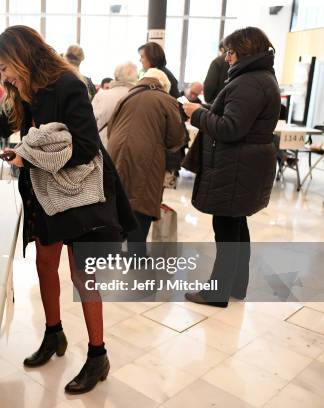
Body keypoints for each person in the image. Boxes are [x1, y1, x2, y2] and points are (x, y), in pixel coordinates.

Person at [0, 25, 136, 394]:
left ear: (24, 54)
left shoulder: (68, 85)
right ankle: (54, 335)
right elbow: (8, 122)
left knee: (84, 278)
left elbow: (84, 147)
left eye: (4, 66)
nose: (3, 75)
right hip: (46, 192)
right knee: (44, 263)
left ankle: (98, 355)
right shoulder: (22, 89)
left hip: (81, 196)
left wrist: (29, 156)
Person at [183, 27, 280, 307]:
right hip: (246, 164)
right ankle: (237, 286)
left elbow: (231, 128)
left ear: (244, 51)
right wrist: (205, 110)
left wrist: (197, 114)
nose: (226, 58)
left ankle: (217, 292)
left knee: (226, 229)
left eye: (230, 52)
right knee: (237, 227)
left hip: (238, 165)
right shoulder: (260, 78)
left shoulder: (248, 82)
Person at [106, 68, 185, 256]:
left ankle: (122, 249)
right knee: (142, 204)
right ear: (164, 86)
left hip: (116, 153)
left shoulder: (127, 96)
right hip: (146, 158)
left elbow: (111, 128)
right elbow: (175, 138)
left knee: (122, 200)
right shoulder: (167, 100)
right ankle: (137, 257)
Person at [91, 62, 138, 146]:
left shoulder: (101, 95)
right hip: (128, 147)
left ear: (116, 75)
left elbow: (91, 121)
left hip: (102, 146)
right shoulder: (138, 97)